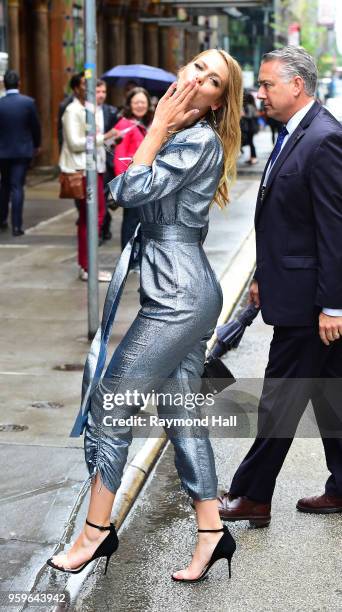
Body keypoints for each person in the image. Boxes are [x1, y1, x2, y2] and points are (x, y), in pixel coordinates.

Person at [47, 48, 243, 582]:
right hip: (178, 288)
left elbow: (124, 191)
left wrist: (154, 130)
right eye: (198, 66)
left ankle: (95, 532)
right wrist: (157, 132)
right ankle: (211, 533)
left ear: (217, 101)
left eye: (213, 79)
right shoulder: (182, 136)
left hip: (179, 296)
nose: (199, 77)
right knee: (181, 416)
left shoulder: (195, 139)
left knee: (112, 406)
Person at [218, 46, 342, 527]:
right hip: (293, 291)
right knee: (330, 391)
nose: (259, 93)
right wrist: (262, 279)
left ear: (298, 85)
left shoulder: (325, 138)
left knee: (281, 395)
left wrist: (333, 305)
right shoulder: (295, 133)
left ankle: (253, 494)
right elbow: (287, 223)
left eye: (267, 84)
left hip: (312, 305)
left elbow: (334, 229)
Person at [59, 73, 120, 282]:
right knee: (94, 217)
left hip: (96, 168)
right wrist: (106, 136)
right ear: (76, 88)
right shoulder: (72, 110)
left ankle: (87, 266)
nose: (90, 88)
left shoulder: (89, 109)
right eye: (85, 84)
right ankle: (87, 267)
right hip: (83, 170)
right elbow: (76, 143)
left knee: (91, 218)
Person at [0, 70, 41, 236]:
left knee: (4, 185)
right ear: (19, 84)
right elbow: (35, 126)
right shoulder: (28, 102)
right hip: (22, 150)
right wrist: (36, 145)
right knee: (17, 186)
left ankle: (2, 219)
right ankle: (17, 226)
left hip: (2, 151)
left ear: (4, 84)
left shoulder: (0, 103)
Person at [113, 87, 153, 252]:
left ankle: (136, 256)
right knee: (131, 222)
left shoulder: (143, 124)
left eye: (143, 102)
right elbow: (119, 157)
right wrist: (124, 184)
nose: (140, 105)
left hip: (143, 181)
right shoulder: (125, 124)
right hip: (132, 182)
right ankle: (128, 258)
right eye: (136, 102)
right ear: (129, 104)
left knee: (141, 221)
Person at [95, 79, 120, 242]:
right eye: (98, 92)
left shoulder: (110, 111)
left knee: (103, 198)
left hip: (106, 162)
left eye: (104, 92)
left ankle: (103, 226)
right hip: (88, 162)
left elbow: (117, 134)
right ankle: (101, 225)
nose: (101, 95)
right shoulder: (82, 111)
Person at [242, 91, 259, 164]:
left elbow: (249, 116)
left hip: (249, 128)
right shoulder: (253, 106)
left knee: (251, 142)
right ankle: (252, 157)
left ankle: (254, 157)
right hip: (252, 127)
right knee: (250, 142)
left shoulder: (249, 106)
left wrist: (243, 115)